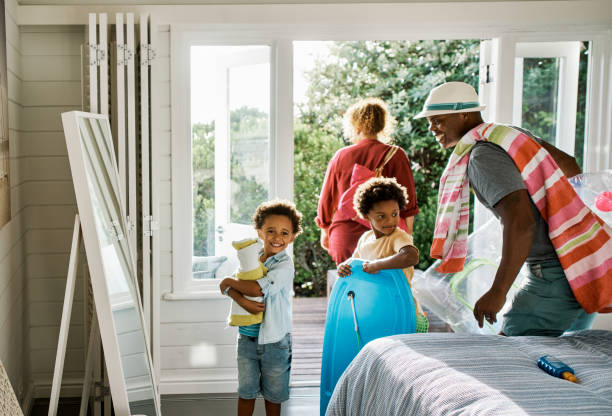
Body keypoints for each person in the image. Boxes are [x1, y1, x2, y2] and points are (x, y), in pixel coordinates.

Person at [415, 81, 612, 336]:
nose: (431, 128)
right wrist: (561, 216)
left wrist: (498, 291)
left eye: (438, 120)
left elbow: (521, 222)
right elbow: (569, 165)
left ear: (464, 114)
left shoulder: (482, 155)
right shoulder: (511, 136)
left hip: (553, 277)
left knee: (511, 350)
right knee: (565, 355)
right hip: (581, 264)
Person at [219, 200, 303, 416]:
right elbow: (242, 288)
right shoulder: (251, 259)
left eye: (285, 233)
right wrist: (234, 292)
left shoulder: (285, 265)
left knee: (273, 397)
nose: (278, 238)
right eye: (271, 231)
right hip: (246, 340)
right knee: (246, 393)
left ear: (292, 236)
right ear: (260, 232)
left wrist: (229, 283)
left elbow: (256, 289)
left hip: (275, 342)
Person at [316, 97, 419, 265]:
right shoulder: (396, 155)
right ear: (382, 126)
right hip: (384, 233)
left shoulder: (341, 156)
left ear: (356, 126)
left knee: (350, 286)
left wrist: (325, 231)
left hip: (345, 234)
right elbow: (408, 203)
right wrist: (406, 235)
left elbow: (326, 200)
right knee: (383, 286)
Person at [336, 177, 428, 332]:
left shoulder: (398, 237)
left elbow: (411, 256)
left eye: (394, 213)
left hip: (403, 311)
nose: (391, 221)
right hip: (377, 310)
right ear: (366, 215)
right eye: (381, 216)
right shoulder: (365, 239)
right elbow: (354, 262)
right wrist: (343, 267)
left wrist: (377, 265)